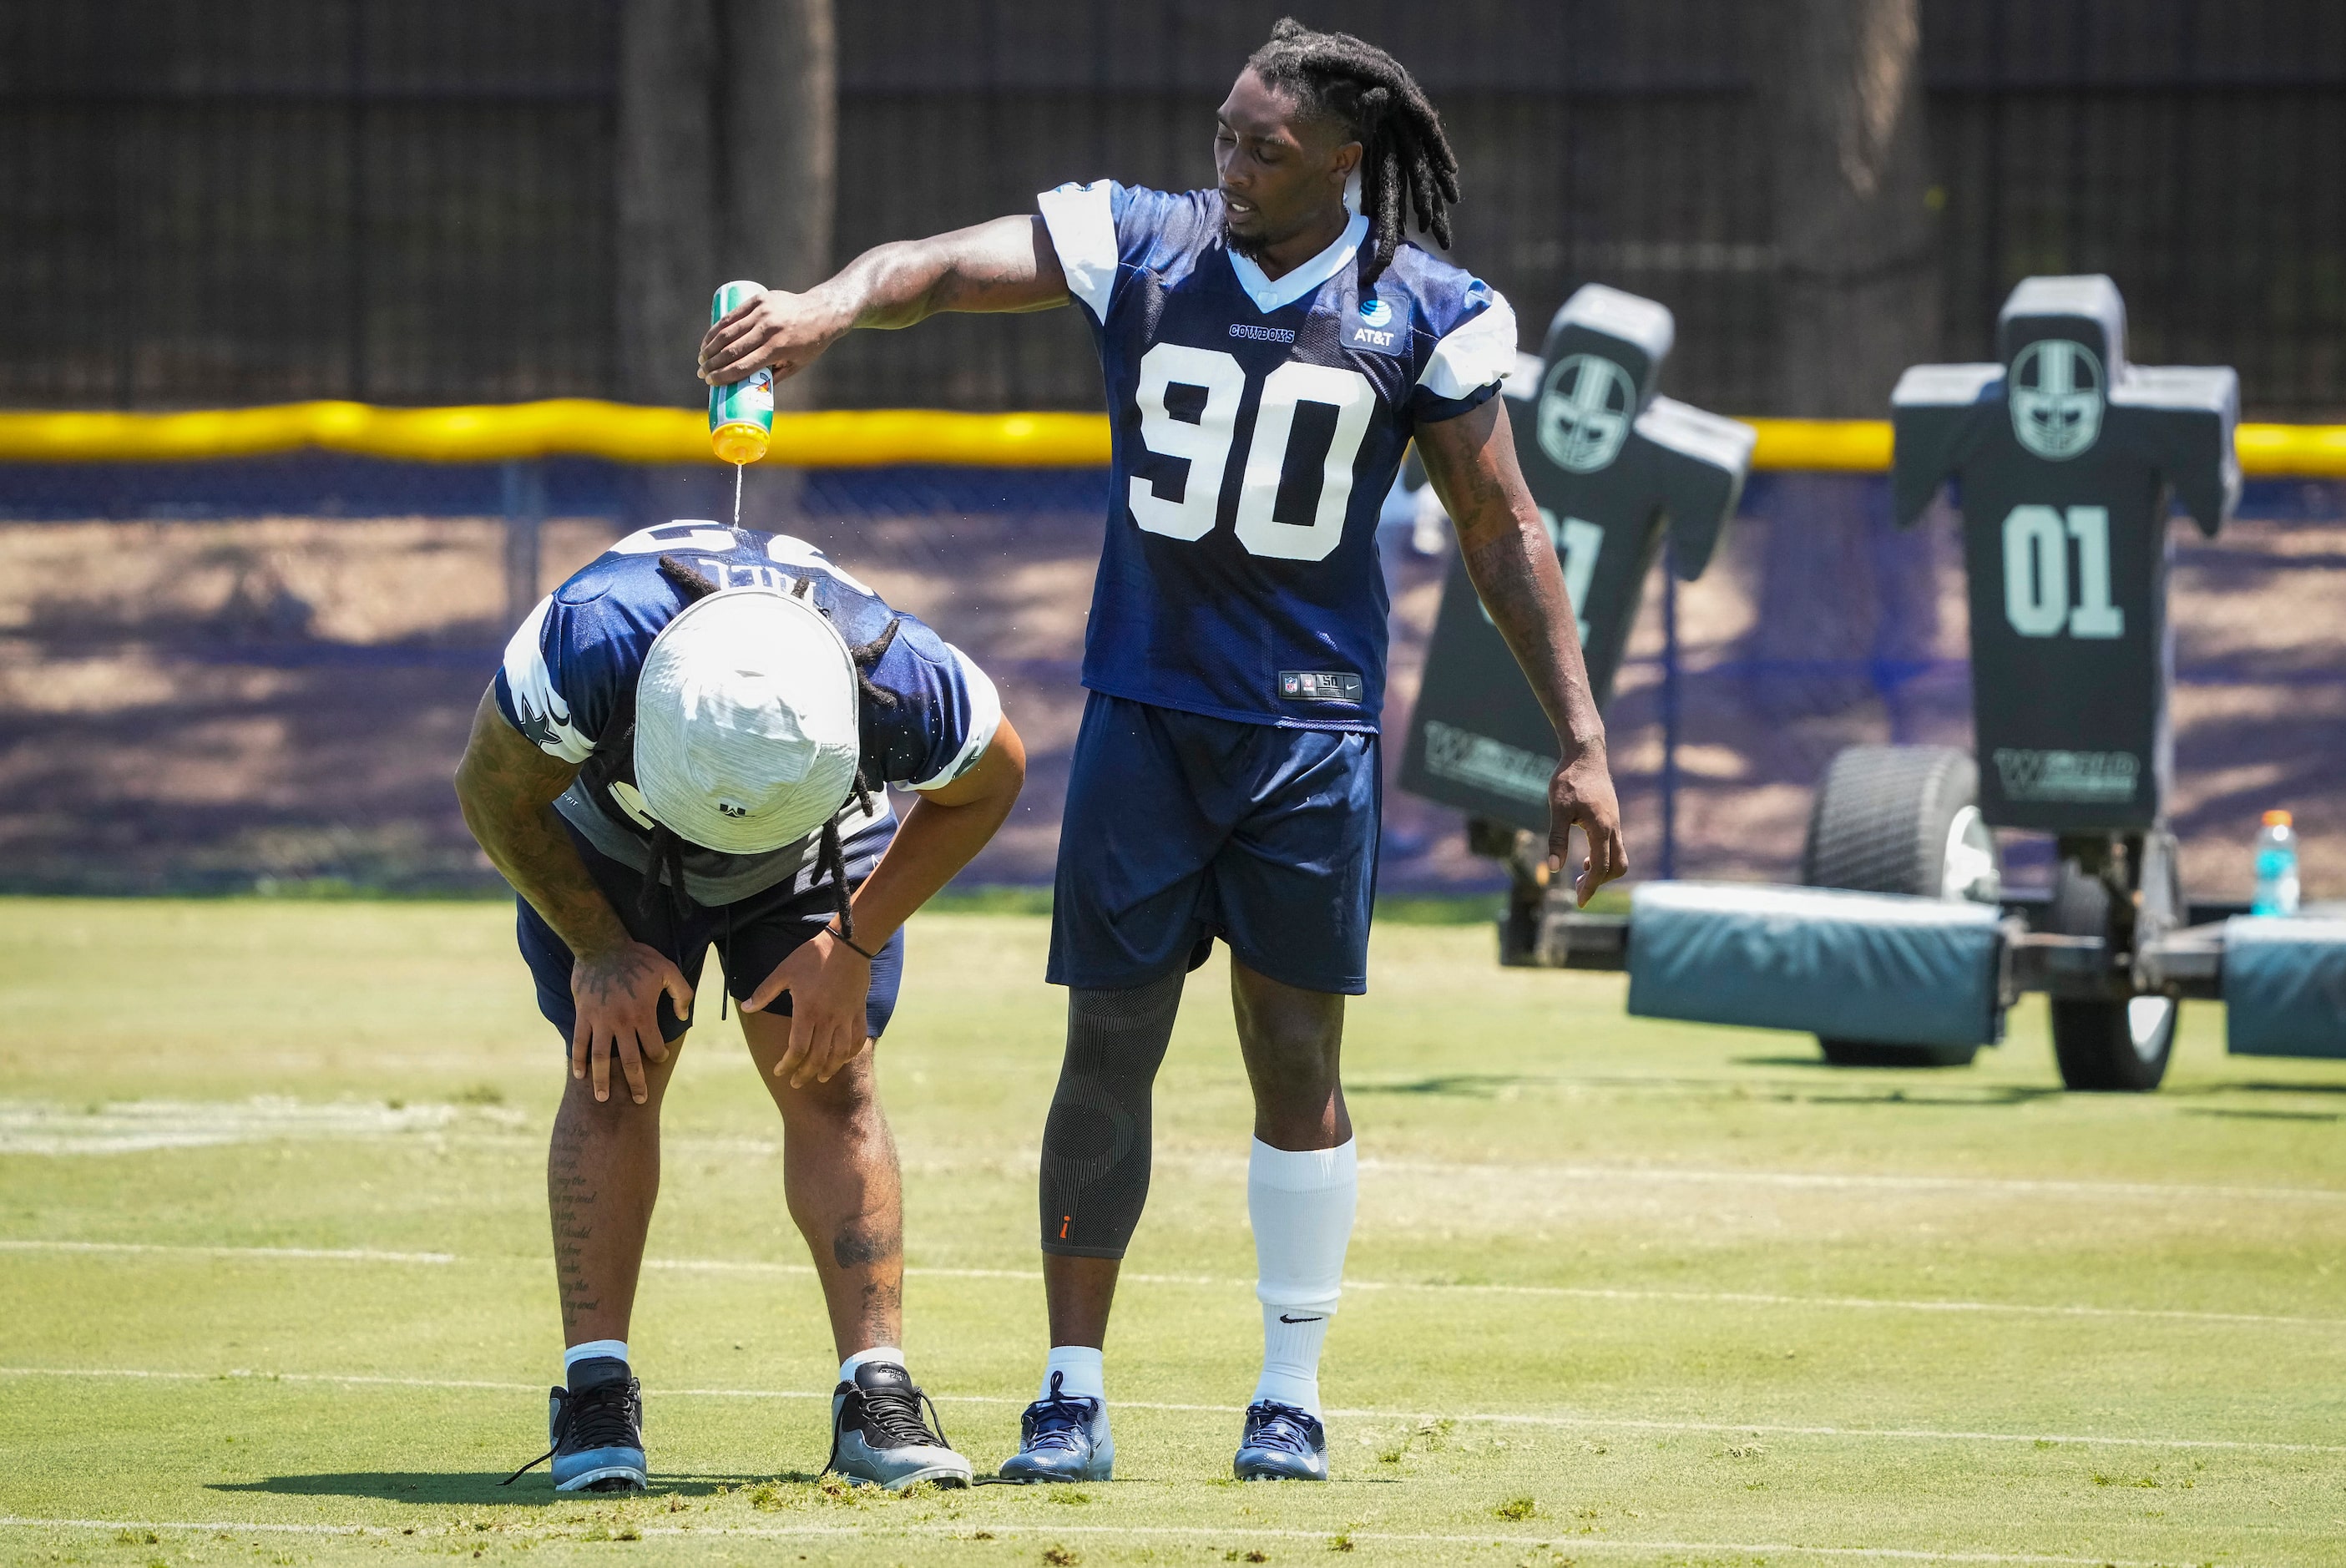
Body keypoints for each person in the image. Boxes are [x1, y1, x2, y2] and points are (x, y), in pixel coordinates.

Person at [697, 18, 1627, 1485]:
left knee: (1295, 1054)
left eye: (1265, 147)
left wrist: (1577, 739)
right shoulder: (1144, 242)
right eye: (1225, 135)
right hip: (1145, 712)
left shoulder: (1425, 307)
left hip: (1307, 737)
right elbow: (936, 267)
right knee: (1107, 1044)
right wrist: (825, 305)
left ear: (1345, 159)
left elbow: (1502, 530)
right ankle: (1070, 1388)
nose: (1233, 164)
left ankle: (1289, 1388)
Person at [454, 521, 1024, 1492]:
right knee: (614, 1074)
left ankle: (874, 1393)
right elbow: (491, 794)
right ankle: (595, 1395)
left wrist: (855, 942)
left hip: (813, 852)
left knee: (833, 1079)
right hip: (609, 845)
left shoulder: (897, 675)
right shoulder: (591, 641)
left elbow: (994, 776)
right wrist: (598, 948)